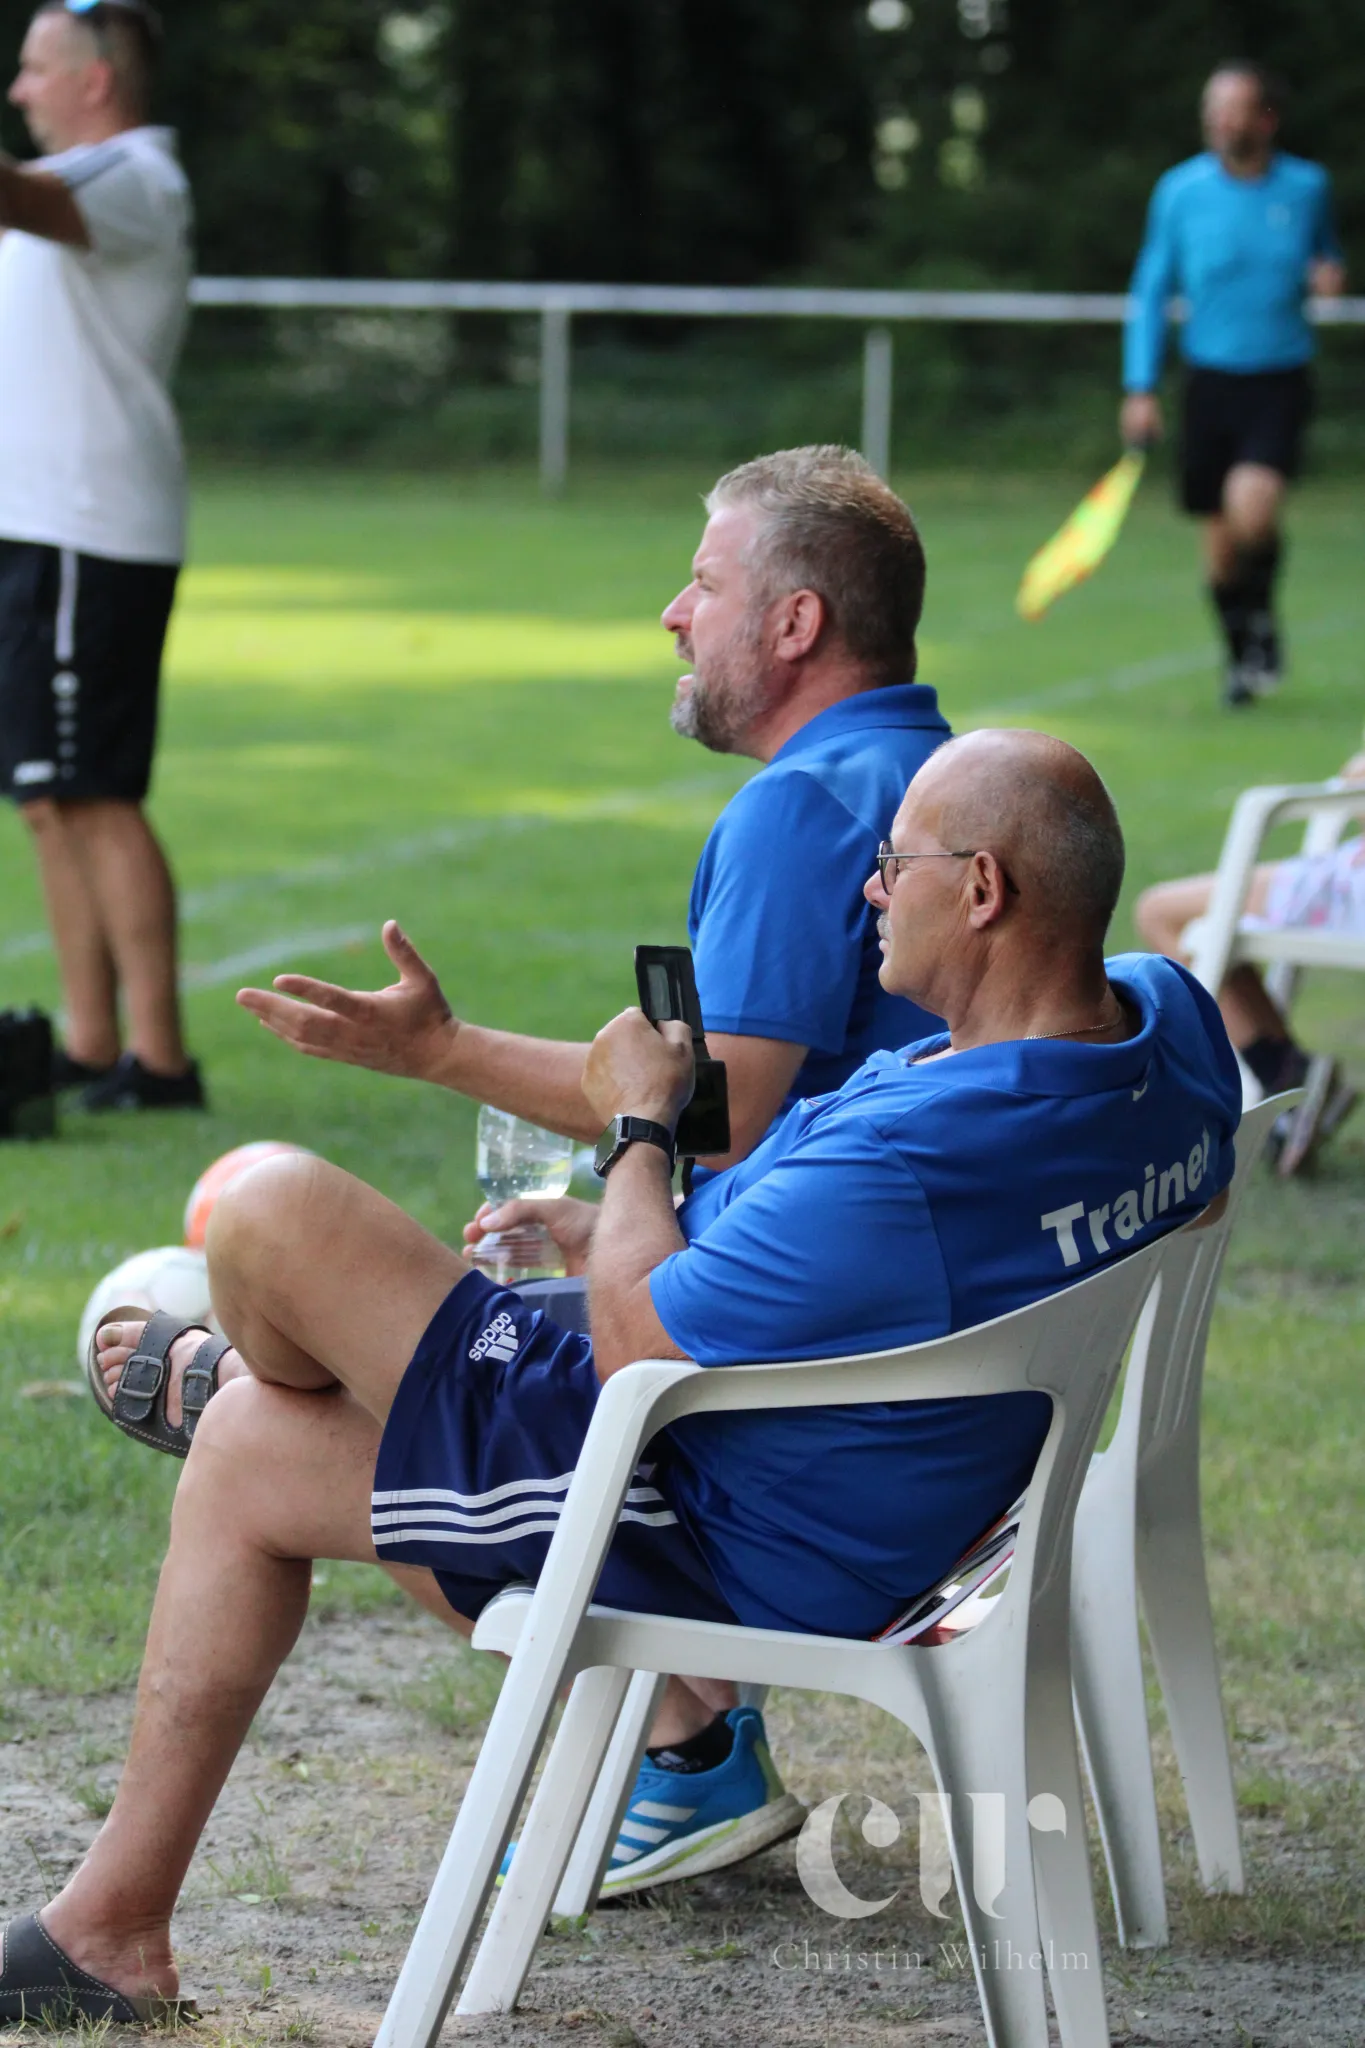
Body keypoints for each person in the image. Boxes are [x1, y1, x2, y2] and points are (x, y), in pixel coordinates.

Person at [0, 729, 1243, 2024]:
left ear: (982, 889)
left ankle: (279, 1387)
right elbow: (1180, 1199)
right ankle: (109, 1928)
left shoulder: (920, 1159)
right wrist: (692, 1239)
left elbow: (640, 1339)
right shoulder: (1163, 1024)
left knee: (272, 1214)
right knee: (252, 1448)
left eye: (896, 863)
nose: (873, 888)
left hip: (716, 1504)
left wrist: (640, 1127)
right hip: (889, 1472)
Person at [237, 445, 951, 1171]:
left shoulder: (801, 807)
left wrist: (438, 1048)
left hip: (844, 1235)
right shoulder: (949, 773)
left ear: (795, 624)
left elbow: (720, 1115)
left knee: (271, 1193)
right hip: (932, 1215)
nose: (673, 614)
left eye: (706, 586)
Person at [0, 0, 203, 1110]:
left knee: (98, 792)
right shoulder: (78, 184)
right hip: (38, 530)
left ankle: (160, 1062)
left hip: (92, 530)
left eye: (35, 68)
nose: (19, 89)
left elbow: (20, 195)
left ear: (95, 79)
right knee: (46, 796)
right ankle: (87, 1044)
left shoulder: (131, 177)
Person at [1121, 62, 1345, 709]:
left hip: (1278, 376)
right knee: (1220, 550)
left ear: (1265, 118)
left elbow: (1325, 258)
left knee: (1254, 507)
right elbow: (1151, 290)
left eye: (1234, 107)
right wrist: (1140, 386)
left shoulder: (1306, 187)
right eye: (1212, 107)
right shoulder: (1179, 192)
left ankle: (1261, 618)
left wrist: (1329, 276)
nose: (1219, 119)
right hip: (1208, 380)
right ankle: (1242, 655)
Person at [1136, 739, 1365, 1175]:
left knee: (1161, 913)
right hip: (1344, 876)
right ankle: (1288, 1075)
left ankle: (1280, 1078)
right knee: (1206, 926)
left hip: (1348, 889)